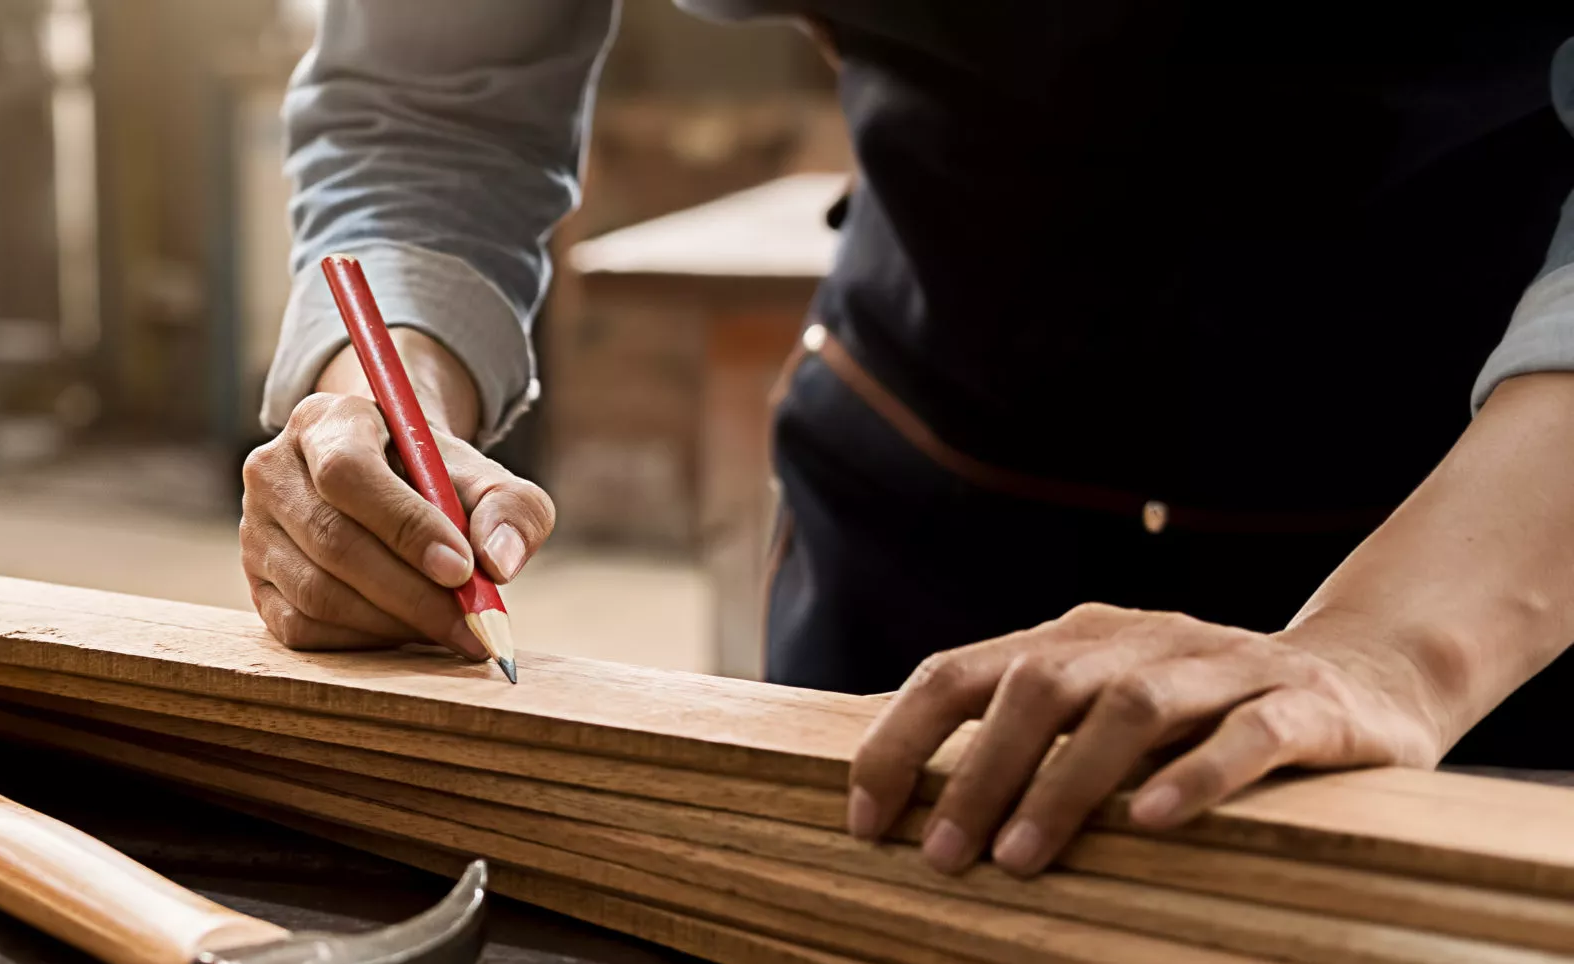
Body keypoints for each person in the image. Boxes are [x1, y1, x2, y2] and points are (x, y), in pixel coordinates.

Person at [239, 2, 1574, 877]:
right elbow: (428, 103)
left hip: (1505, 545)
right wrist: (378, 398)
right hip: (925, 507)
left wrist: (1393, 649)